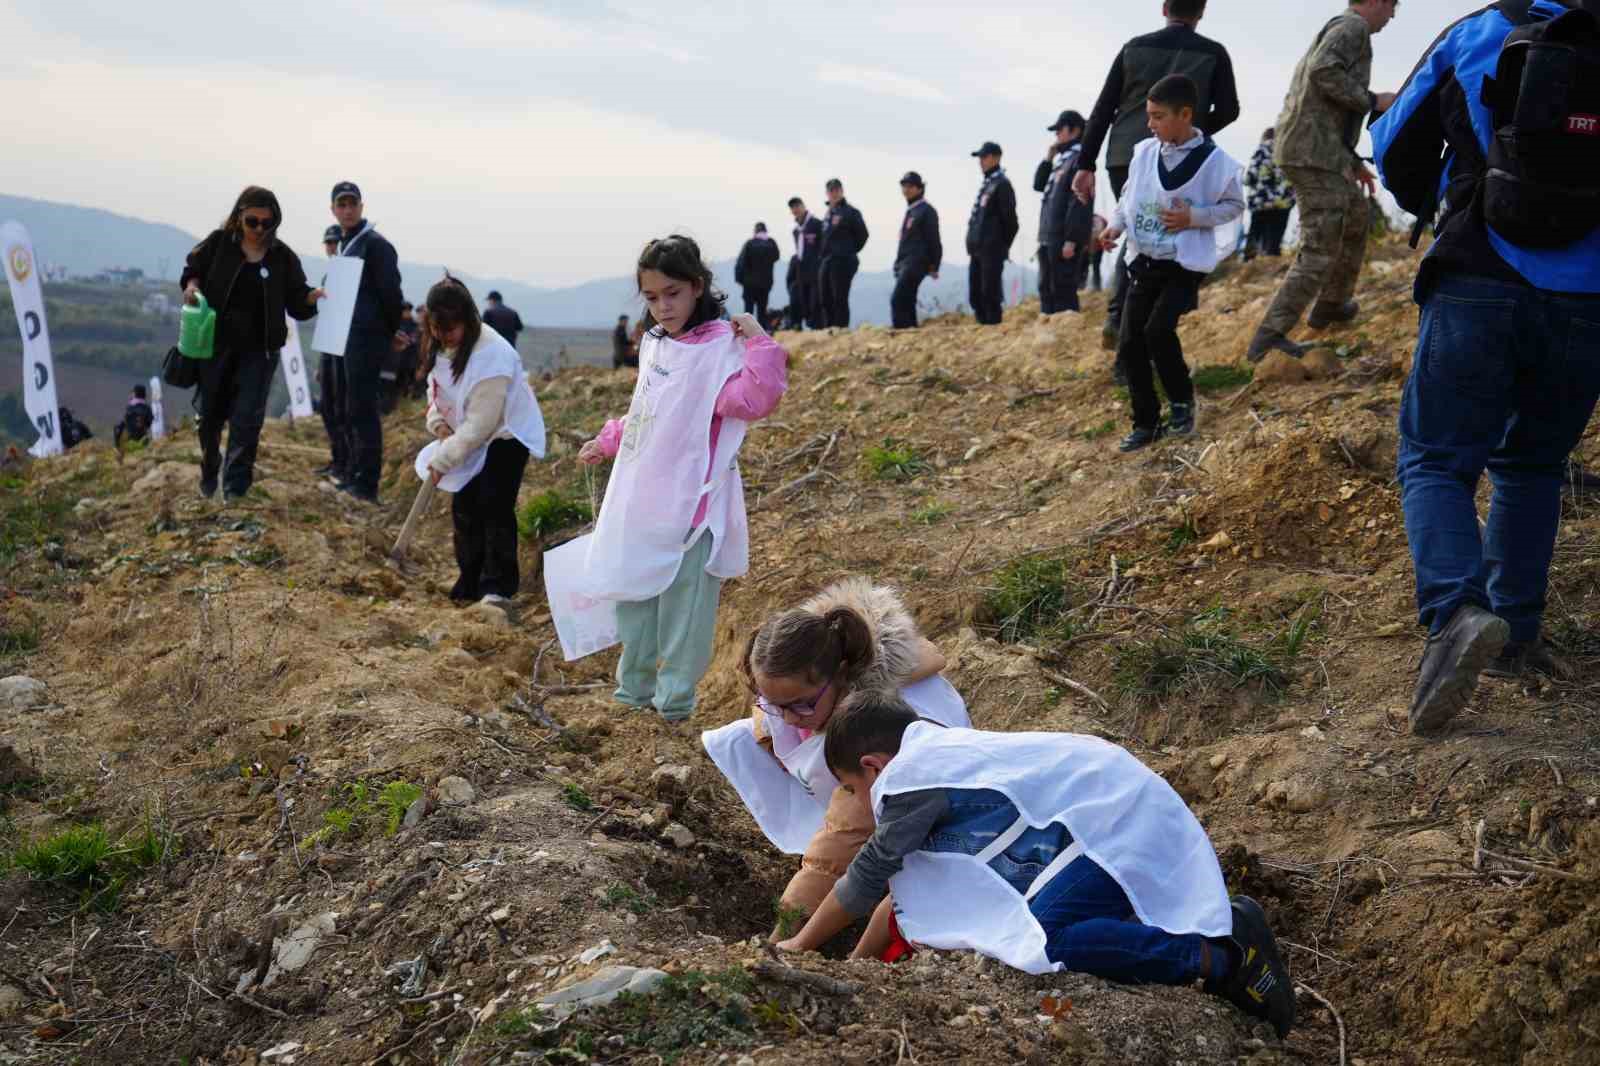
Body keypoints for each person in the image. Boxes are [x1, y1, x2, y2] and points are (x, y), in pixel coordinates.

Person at [774, 695, 1296, 1040]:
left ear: (874, 766)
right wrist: (858, 970)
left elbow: (866, 877)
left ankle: (1221, 957)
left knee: (1054, 943)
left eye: (851, 789)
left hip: (1107, 830)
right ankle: (1200, 939)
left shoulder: (910, 778)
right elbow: (904, 897)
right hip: (1108, 820)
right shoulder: (939, 751)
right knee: (1044, 922)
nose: (857, 800)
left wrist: (800, 946)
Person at [1373, 0, 1600, 728]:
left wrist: (1450, 193)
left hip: (1479, 270)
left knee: (1435, 460)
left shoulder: (1475, 33)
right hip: (1589, 298)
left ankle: (1455, 612)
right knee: (1532, 465)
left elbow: (1391, 149)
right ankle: (1517, 633)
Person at [577, 236, 789, 721]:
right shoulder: (656, 343)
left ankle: (673, 709)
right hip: (641, 494)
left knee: (683, 611)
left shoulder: (719, 347)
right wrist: (609, 440)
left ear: (696, 287)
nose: (662, 307)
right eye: (651, 298)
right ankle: (631, 701)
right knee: (633, 594)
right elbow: (647, 409)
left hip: (692, 502)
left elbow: (754, 401)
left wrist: (758, 340)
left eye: (672, 293)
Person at [701, 578, 970, 925]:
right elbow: (775, 715)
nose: (786, 716)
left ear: (841, 673)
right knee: (738, 740)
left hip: (946, 822)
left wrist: (788, 931)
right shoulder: (813, 666)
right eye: (773, 703)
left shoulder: (883, 727)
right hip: (870, 784)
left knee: (881, 875)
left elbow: (839, 839)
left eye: (799, 705)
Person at [1073, 0, 1241, 351]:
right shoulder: (1214, 53)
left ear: (1164, 7)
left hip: (1123, 153)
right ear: (1202, 10)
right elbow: (1230, 109)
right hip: (1183, 161)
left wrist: (1085, 163)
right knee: (1167, 235)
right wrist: (1190, 133)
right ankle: (1139, 327)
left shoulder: (1133, 47)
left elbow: (1103, 107)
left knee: (1137, 232)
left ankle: (1123, 322)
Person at [1245, 0, 1399, 363]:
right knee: (1319, 248)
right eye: (1392, 6)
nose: (1392, 16)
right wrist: (1373, 100)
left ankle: (1330, 304)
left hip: (1319, 150)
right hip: (1311, 153)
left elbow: (1320, 103)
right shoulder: (1353, 28)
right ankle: (1269, 337)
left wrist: (1350, 159)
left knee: (1358, 216)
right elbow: (1323, 72)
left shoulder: (1345, 28)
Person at [1099, 74, 1244, 453]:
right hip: (1144, 261)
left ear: (1185, 114)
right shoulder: (1144, 152)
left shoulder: (1215, 162)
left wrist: (1193, 218)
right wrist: (1115, 226)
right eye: (1149, 115)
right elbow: (1128, 197)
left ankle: (1181, 403)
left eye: (1158, 116)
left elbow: (1234, 206)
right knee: (1130, 342)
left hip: (1182, 266)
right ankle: (1145, 422)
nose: (1150, 124)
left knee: (1158, 331)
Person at [181, 186, 322, 501]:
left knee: (247, 421)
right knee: (209, 416)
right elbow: (193, 270)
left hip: (260, 353)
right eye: (252, 221)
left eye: (266, 223)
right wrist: (191, 287)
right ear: (238, 218)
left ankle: (235, 491)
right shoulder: (218, 245)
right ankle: (210, 462)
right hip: (215, 347)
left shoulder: (283, 257)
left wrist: (311, 298)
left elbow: (297, 302)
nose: (259, 229)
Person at [421, 276, 547, 605]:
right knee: (465, 506)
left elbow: (481, 425)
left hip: (505, 434)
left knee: (494, 503)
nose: (443, 335)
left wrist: (444, 459)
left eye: (450, 329)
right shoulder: (440, 345)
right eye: (437, 328)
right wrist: (438, 422)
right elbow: (438, 390)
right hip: (467, 432)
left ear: (469, 320)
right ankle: (470, 579)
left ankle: (497, 587)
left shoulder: (493, 357)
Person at [328, 181, 404, 503]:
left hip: (367, 339)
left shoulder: (375, 245)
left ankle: (367, 483)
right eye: (341, 205)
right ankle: (354, 475)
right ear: (334, 209)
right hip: (347, 338)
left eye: (352, 204)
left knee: (363, 409)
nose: (347, 210)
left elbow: (391, 294)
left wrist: (388, 334)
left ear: (361, 206)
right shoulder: (346, 243)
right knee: (349, 408)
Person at [1034, 111, 1095, 314]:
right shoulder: (1061, 161)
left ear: (1075, 130)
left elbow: (1080, 203)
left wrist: (1072, 239)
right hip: (1049, 237)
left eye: (1060, 130)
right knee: (1046, 288)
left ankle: (1065, 337)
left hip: (1063, 238)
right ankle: (1048, 337)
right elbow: (1038, 185)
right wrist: (1048, 158)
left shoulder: (1079, 160)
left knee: (1063, 290)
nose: (1057, 135)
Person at [967, 142, 1020, 326]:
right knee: (976, 294)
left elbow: (1011, 222)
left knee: (990, 292)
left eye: (984, 157)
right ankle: (982, 327)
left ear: (996, 157)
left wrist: (1000, 245)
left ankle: (993, 327)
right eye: (980, 158)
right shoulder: (988, 184)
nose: (981, 161)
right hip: (977, 250)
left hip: (992, 250)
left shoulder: (1002, 185)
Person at [315, 223, 349, 479]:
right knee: (328, 407)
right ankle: (338, 459)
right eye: (328, 243)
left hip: (344, 351)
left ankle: (347, 463)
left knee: (342, 410)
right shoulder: (329, 275)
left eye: (335, 243)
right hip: (328, 348)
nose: (331, 248)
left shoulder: (349, 274)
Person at [890, 172, 942, 329]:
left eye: (910, 186)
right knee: (907, 300)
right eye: (904, 186)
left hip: (917, 262)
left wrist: (935, 265)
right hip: (905, 263)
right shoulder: (911, 211)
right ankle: (911, 330)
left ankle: (901, 332)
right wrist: (898, 263)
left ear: (919, 188)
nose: (906, 190)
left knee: (897, 299)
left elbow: (934, 240)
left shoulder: (926, 211)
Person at [818, 180, 869, 328]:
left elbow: (863, 235)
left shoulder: (850, 212)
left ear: (841, 191)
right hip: (827, 260)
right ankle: (829, 327)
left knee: (839, 296)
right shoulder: (828, 214)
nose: (834, 193)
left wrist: (849, 250)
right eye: (830, 190)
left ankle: (841, 328)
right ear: (827, 193)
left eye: (836, 190)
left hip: (843, 260)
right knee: (825, 297)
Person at [1243, 129, 1295, 261]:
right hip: (1283, 203)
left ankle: (1249, 264)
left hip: (1261, 202)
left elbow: (1250, 177)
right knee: (1274, 239)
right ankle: (1269, 266)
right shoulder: (1289, 151)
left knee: (1255, 235)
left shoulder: (1262, 150)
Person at [789, 198, 825, 330]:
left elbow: (823, 246)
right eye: (793, 208)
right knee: (802, 299)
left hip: (816, 269)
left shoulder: (817, 224)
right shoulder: (796, 230)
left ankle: (818, 326)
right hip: (801, 269)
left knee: (815, 300)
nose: (795, 209)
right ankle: (805, 325)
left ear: (803, 206)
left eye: (797, 206)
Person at [734, 223, 781, 322]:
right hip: (765, 285)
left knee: (748, 313)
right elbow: (776, 256)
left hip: (749, 285)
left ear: (755, 231)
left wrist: (740, 280)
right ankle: (761, 335)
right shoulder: (771, 244)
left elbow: (740, 263)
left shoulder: (749, 244)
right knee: (762, 312)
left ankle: (748, 335)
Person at [382, 301, 421, 414]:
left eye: (408, 310)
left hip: (408, 361)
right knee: (391, 386)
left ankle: (399, 408)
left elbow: (413, 340)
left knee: (404, 385)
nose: (406, 313)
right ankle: (391, 408)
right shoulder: (394, 324)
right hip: (393, 362)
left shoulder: (414, 326)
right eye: (404, 310)